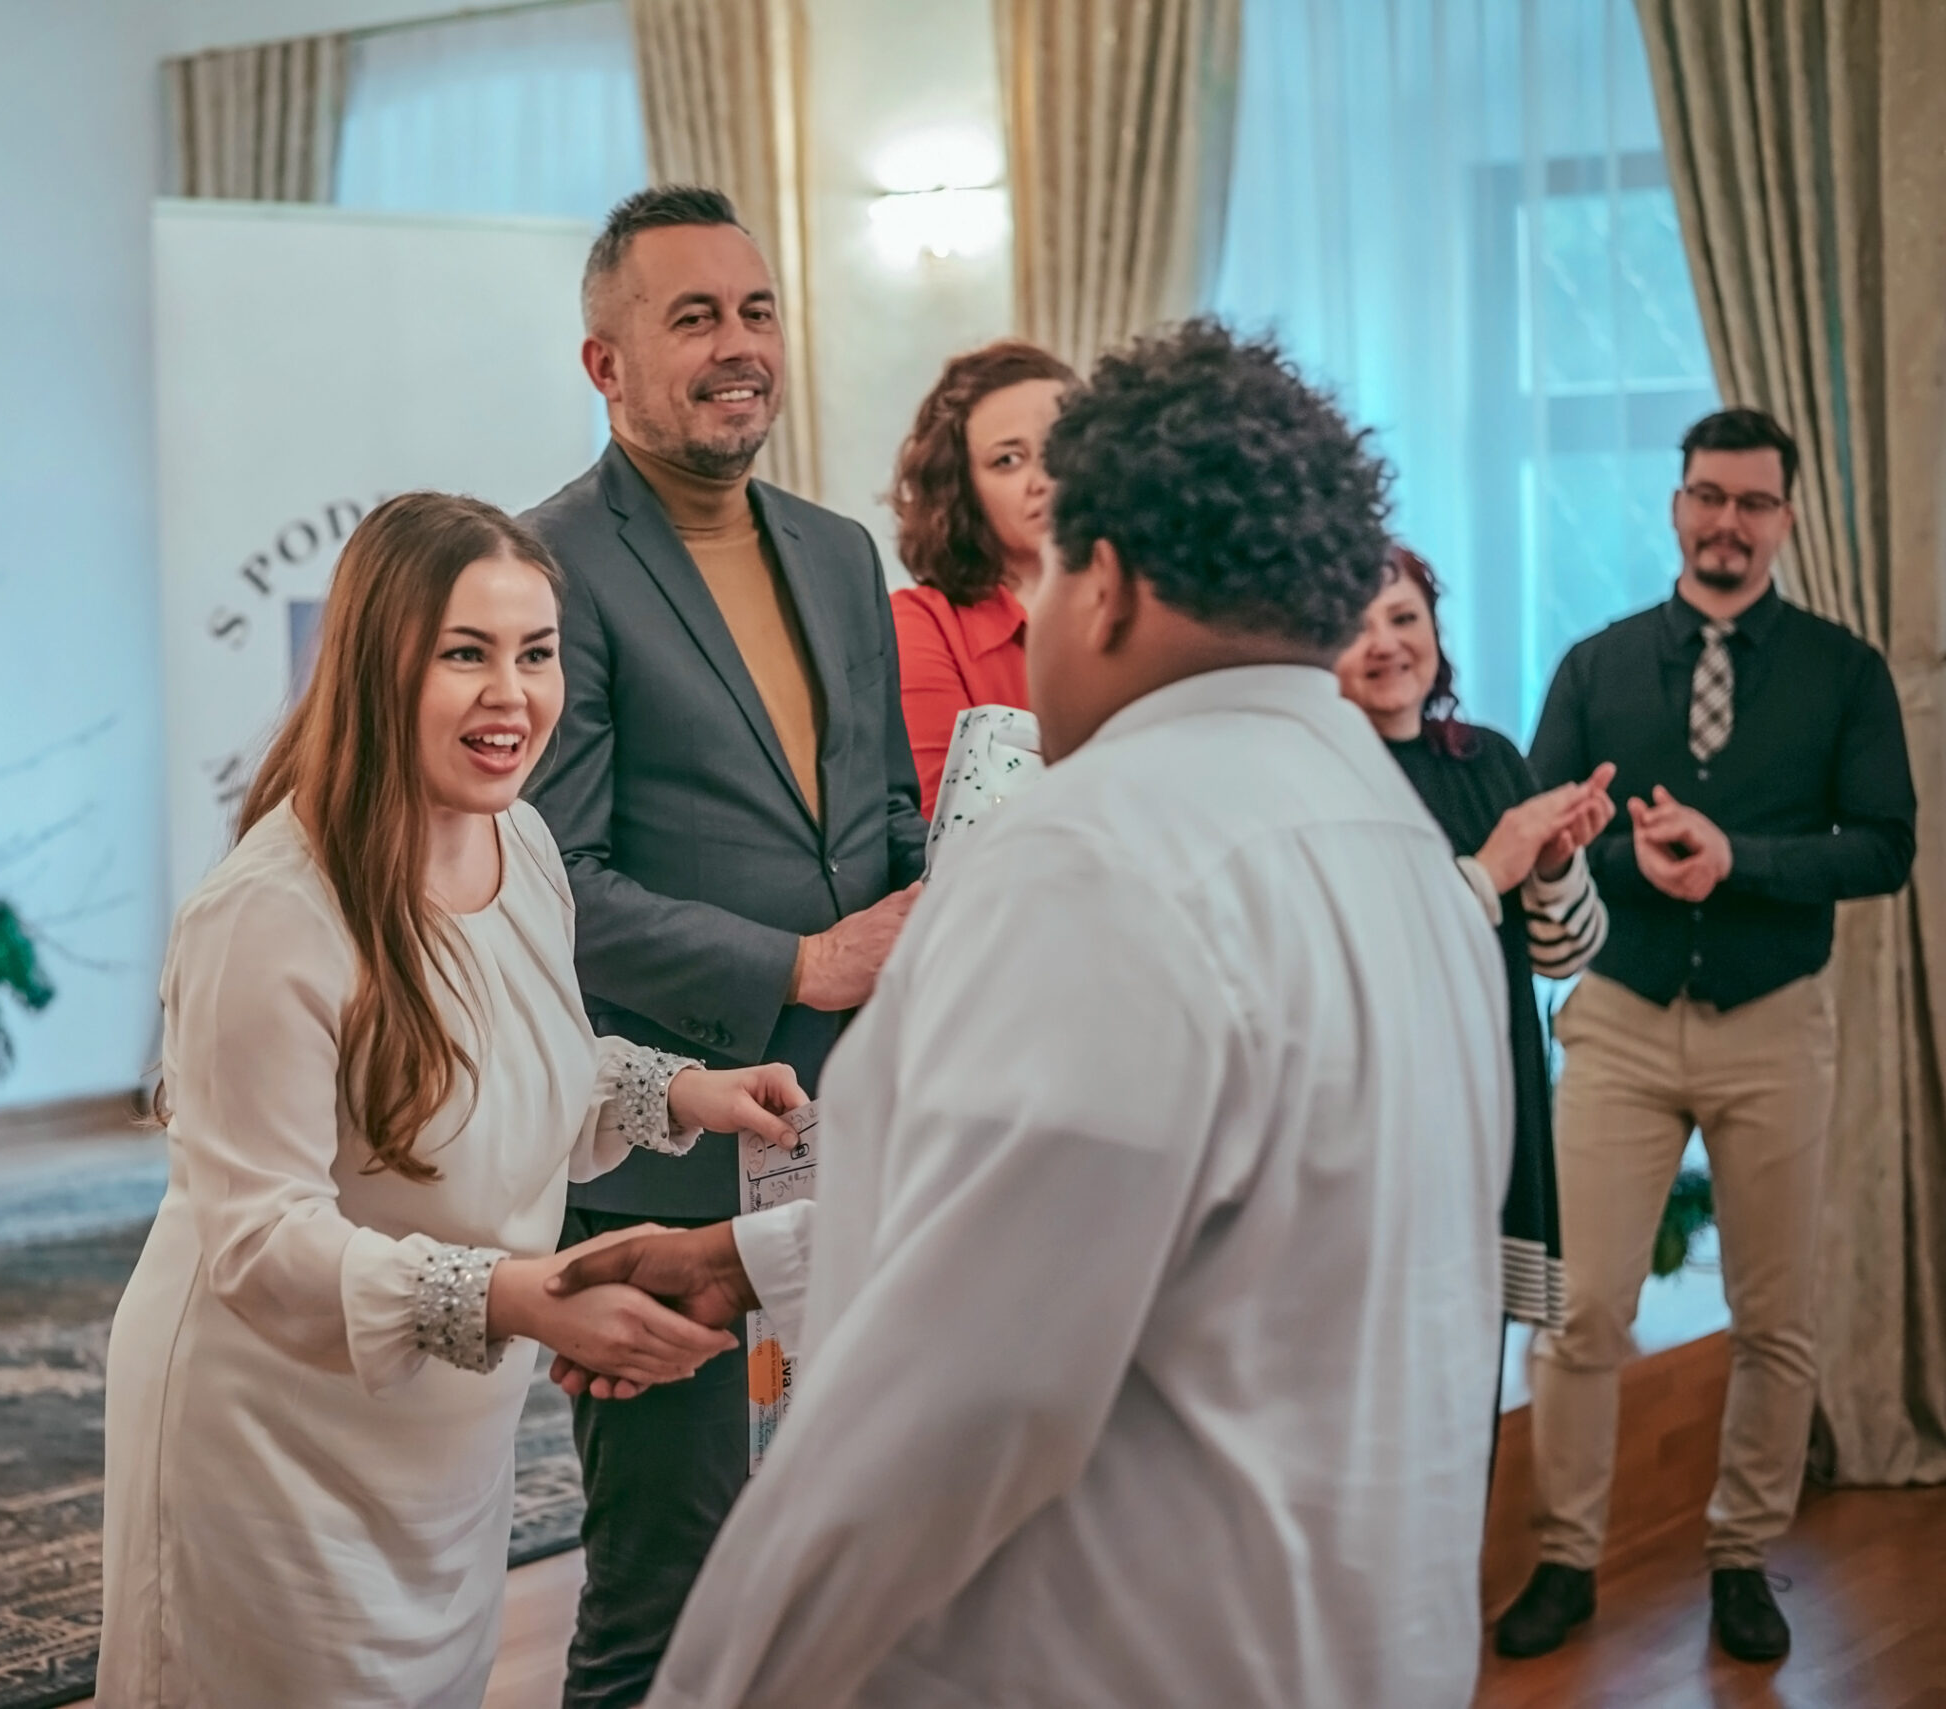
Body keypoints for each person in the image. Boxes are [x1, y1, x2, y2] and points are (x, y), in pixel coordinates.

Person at [549, 318, 1514, 1707]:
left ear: (1101, 584)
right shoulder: (1405, 850)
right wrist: (744, 1257)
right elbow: (1133, 1206)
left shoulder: (1097, 852)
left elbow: (953, 1399)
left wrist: (724, 1684)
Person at [96, 492, 805, 1708]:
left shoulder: (520, 842)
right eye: (465, 654)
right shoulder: (265, 913)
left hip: (439, 1441)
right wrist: (515, 1294)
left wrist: (683, 1088)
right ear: (377, 664)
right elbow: (259, 1238)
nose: (512, 695)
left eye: (536, 654)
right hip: (268, 1440)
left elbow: (510, 1065)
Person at [521, 185, 930, 1708]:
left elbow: (882, 818)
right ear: (605, 362)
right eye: (693, 317)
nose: (738, 345)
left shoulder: (837, 552)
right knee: (663, 1590)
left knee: (854, 1566)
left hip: (858, 1133)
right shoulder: (545, 566)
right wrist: (796, 964)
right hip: (663, 1144)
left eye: (756, 311)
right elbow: (555, 881)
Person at [1500, 407, 1917, 1665]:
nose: (1727, 522)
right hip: (1619, 1022)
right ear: (1676, 504)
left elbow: (1884, 848)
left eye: (1752, 502)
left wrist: (1739, 857)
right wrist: (1634, 858)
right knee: (1582, 1308)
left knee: (1775, 1313)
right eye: (1708, 496)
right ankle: (1564, 1556)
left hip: (1775, 1026)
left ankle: (1742, 1554)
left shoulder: (1844, 671)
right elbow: (1541, 836)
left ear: (1784, 518)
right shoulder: (1596, 665)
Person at [1334, 544, 1612, 1347]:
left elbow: (1562, 954)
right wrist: (1490, 870)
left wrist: (1553, 861)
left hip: (1492, 1111)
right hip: (1383, 1129)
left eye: (1404, 617)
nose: (1387, 643)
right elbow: (1364, 955)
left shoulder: (1488, 759)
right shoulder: (1321, 778)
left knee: (1472, 1375)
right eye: (1358, 626)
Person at [885, 339, 1075, 815]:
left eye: (1061, 448)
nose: (1043, 480)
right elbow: (946, 823)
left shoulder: (1148, 597)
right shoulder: (921, 623)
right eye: (1008, 460)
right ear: (963, 488)